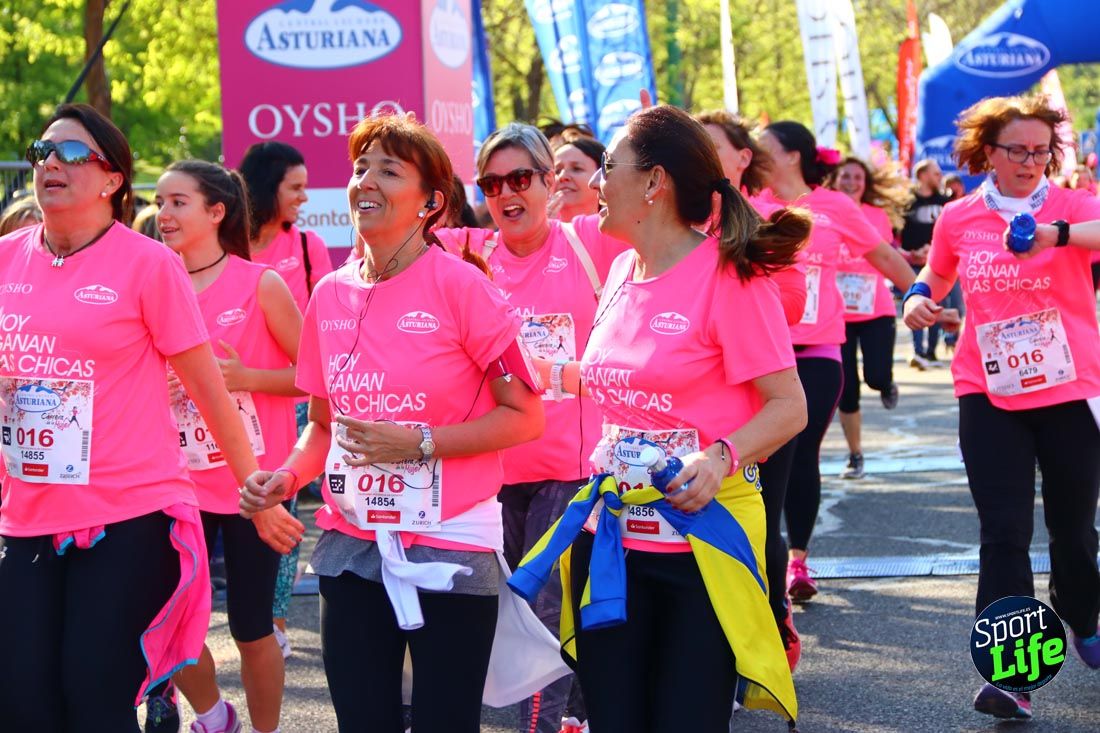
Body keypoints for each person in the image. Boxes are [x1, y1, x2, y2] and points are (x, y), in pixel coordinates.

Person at [238, 113, 545, 733]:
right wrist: (284, 476)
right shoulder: (328, 294)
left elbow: (526, 416)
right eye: (359, 169)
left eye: (388, 170)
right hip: (351, 546)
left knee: (444, 722)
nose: (365, 182)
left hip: (452, 545)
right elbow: (323, 426)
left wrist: (421, 443)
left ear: (430, 202)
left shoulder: (464, 287)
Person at [509, 104, 811, 733]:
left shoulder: (730, 276)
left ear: (654, 183)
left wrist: (718, 456)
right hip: (611, 534)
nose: (593, 184)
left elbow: (789, 406)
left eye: (607, 168)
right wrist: (545, 374)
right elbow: (627, 381)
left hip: (699, 540)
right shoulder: (620, 270)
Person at [0, 103, 259, 733]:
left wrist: (259, 492)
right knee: (21, 704)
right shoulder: (6, 258)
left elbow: (208, 391)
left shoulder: (149, 265)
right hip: (26, 514)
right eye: (42, 152)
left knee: (93, 695)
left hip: (128, 515)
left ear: (113, 179)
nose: (49, 165)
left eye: (70, 154)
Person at [904, 93, 1100, 722]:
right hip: (987, 393)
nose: (1031, 161)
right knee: (1005, 533)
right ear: (989, 152)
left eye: (1042, 150)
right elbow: (934, 276)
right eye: (1018, 149)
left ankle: (1082, 609)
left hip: (1070, 391)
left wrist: (1056, 235)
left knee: (1073, 531)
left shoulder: (1071, 206)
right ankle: (1012, 678)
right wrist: (916, 300)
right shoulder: (960, 217)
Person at [434, 122, 627, 733]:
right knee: (496, 611)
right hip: (488, 470)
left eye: (520, 178)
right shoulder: (467, 253)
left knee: (539, 603)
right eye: (492, 184)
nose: (506, 194)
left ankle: (546, 725)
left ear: (551, 183)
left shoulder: (589, 243)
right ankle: (570, 713)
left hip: (568, 473)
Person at [156, 160, 306, 733]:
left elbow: (314, 376)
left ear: (216, 212)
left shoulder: (259, 284)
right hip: (174, 483)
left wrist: (245, 380)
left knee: (249, 626)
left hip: (253, 485)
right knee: (167, 620)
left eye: (178, 203)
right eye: (161, 203)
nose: (163, 214)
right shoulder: (152, 280)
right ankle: (215, 716)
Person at [755, 121, 915, 604]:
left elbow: (884, 256)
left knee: (801, 454)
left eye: (762, 148)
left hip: (818, 353)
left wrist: (925, 296)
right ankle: (762, 558)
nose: (752, 154)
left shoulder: (834, 207)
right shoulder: (747, 203)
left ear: (793, 155)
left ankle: (796, 561)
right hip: (760, 354)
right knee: (762, 461)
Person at [697, 107, 807, 669]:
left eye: (711, 146)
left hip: (757, 402)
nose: (701, 156)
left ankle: (768, 626)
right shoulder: (668, 223)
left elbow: (792, 304)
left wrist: (728, 286)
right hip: (682, 409)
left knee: (759, 515)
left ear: (742, 159)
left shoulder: (767, 222)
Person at [238, 141, 334, 656]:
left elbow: (314, 355)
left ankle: (273, 622)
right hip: (221, 408)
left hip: (289, 408)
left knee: (279, 509)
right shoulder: (228, 243)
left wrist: (249, 376)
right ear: (266, 186)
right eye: (294, 187)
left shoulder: (307, 246)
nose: (303, 196)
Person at [827, 157, 913, 479]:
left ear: (866, 183)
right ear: (834, 180)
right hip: (835, 315)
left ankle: (886, 383)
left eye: (857, 177)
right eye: (845, 176)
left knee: (875, 377)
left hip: (874, 309)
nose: (851, 182)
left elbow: (884, 253)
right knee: (846, 391)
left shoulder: (876, 215)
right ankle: (855, 454)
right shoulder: (821, 213)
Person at [900, 160, 953, 368]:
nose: (939, 177)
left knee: (937, 306)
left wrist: (933, 250)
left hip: (940, 263)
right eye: (935, 174)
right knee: (916, 304)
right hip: (913, 263)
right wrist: (911, 254)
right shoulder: (908, 202)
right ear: (922, 175)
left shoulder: (945, 203)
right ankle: (918, 351)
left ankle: (931, 352)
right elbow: (895, 237)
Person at [551, 134, 604, 222]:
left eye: (576, 169)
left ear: (602, 176)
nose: (563, 176)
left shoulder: (623, 231)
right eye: (557, 171)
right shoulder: (529, 232)